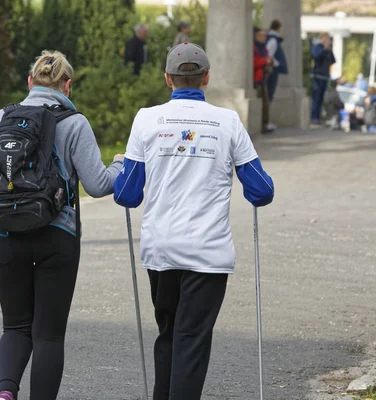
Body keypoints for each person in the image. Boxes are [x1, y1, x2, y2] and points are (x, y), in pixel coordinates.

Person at [114, 42, 274, 400]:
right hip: (208, 254)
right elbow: (262, 191)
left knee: (169, 333)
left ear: (168, 78)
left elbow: (127, 194)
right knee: (191, 340)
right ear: (206, 78)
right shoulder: (228, 121)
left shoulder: (146, 118)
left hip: (161, 250)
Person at [0, 50, 124, 400]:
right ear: (67, 86)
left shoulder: (0, 119)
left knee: (15, 326)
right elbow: (98, 184)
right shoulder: (74, 123)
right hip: (58, 235)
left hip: (5, 233)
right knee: (49, 335)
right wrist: (120, 164)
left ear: (30, 82)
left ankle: (5, 393)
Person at [310, 32, 336, 126]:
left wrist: (330, 50)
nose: (328, 41)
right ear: (322, 39)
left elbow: (333, 60)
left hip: (325, 76)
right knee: (316, 98)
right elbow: (316, 56)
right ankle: (314, 118)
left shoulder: (328, 50)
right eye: (327, 38)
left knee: (321, 99)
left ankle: (319, 118)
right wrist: (324, 49)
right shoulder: (318, 47)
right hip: (317, 76)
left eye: (329, 39)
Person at [253, 27, 274, 133]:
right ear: (257, 37)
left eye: (265, 36)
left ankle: (264, 124)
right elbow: (254, 62)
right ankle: (259, 125)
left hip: (263, 78)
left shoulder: (264, 48)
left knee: (265, 103)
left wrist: (270, 61)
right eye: (262, 36)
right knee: (260, 101)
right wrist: (265, 61)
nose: (264, 38)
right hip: (257, 79)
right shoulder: (254, 47)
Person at [265, 20, 288, 108]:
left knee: (270, 92)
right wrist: (277, 63)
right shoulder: (273, 39)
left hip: (272, 68)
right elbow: (269, 54)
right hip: (272, 69)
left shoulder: (271, 38)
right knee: (270, 91)